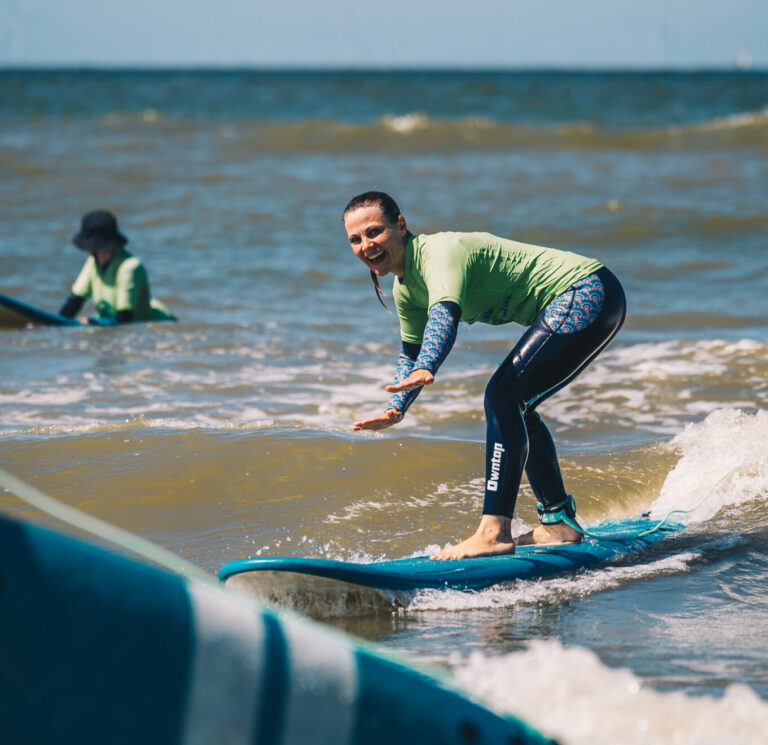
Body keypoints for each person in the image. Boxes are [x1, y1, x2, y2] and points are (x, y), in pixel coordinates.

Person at [343, 191, 626, 560]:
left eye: (375, 232)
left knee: (503, 395)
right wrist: (396, 408)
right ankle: (558, 522)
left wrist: (430, 365)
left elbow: (444, 316)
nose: (367, 245)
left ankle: (494, 532)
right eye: (355, 239)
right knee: (515, 402)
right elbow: (410, 350)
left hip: (587, 291)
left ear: (400, 225)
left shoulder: (438, 254)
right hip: (585, 296)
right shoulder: (405, 288)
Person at [59, 210, 175, 325]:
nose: (88, 251)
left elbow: (125, 319)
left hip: (159, 323)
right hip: (111, 322)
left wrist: (93, 322)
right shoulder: (94, 262)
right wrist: (56, 325)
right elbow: (74, 301)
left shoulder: (130, 267)